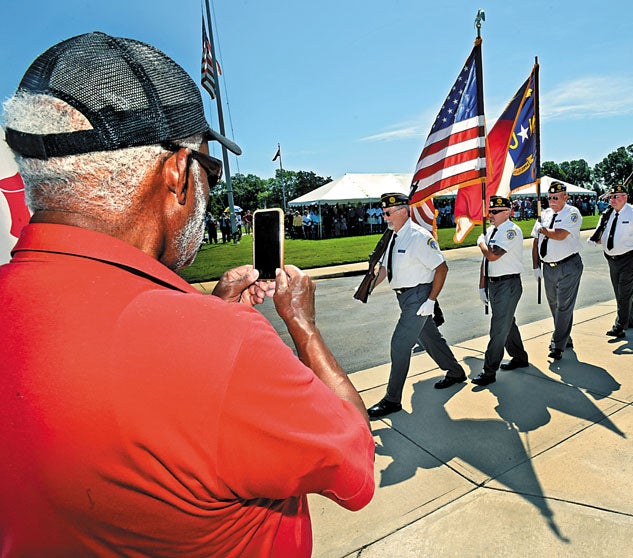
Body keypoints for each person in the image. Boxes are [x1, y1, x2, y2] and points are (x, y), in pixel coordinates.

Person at [0, 32, 374, 556]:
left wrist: (205, 314)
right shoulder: (223, 347)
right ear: (177, 172)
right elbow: (354, 464)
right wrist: (303, 329)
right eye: (209, 169)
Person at [364, 193, 465, 418]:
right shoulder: (394, 236)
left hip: (418, 297)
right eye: (383, 212)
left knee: (399, 344)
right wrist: (368, 287)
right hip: (404, 297)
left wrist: (430, 301)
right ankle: (456, 372)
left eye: (388, 212)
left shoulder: (418, 237)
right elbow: (386, 269)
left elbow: (441, 268)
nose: (384, 216)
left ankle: (392, 400)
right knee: (430, 338)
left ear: (402, 211)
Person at [472, 196, 529, 386]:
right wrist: (482, 285)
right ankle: (520, 357)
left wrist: (481, 242)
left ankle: (489, 371)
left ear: (507, 212)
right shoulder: (490, 231)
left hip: (508, 284)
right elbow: (485, 262)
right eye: (490, 211)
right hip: (494, 283)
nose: (491, 215)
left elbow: (492, 255)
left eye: (495, 212)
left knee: (498, 328)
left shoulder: (511, 231)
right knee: (507, 323)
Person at [588, 183, 633, 337]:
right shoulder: (607, 214)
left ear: (625, 197)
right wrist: (596, 240)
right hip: (612, 259)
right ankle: (630, 321)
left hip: (630, 258)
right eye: (611, 197)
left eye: (616, 197)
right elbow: (604, 234)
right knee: (620, 292)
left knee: (623, 292)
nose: (613, 199)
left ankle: (620, 326)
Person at [531, 181, 583, 360]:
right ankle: (565, 337)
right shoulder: (544, 214)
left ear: (565, 197)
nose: (552, 200)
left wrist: (543, 229)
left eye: (556, 197)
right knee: (554, 305)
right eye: (550, 197)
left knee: (564, 305)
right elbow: (536, 242)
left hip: (568, 265)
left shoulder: (572, 213)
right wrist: (536, 265)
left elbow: (560, 235)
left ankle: (557, 344)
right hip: (548, 268)